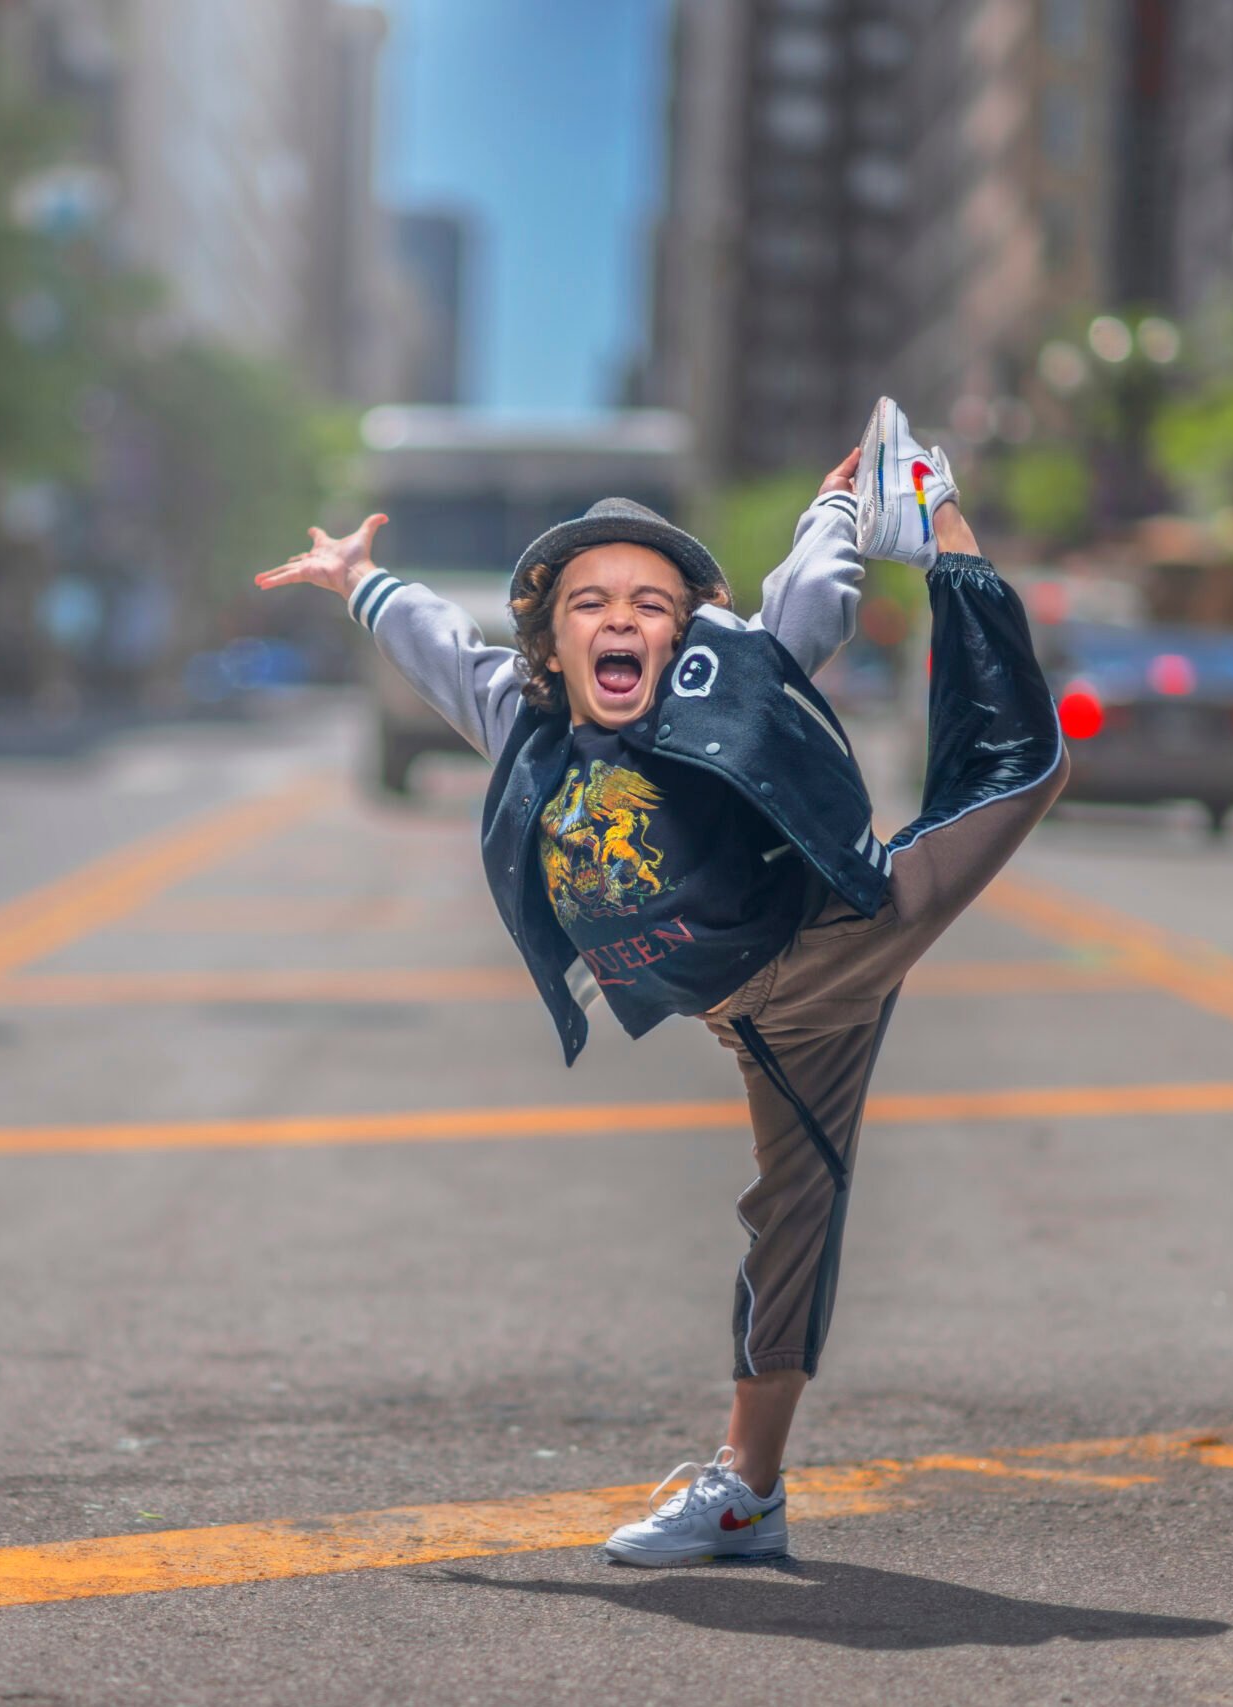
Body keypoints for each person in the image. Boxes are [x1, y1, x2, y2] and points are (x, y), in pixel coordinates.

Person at [254, 398, 1068, 1567]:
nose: (620, 618)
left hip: (843, 935)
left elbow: (811, 594)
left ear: (688, 624)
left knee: (1020, 766)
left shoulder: (730, 665)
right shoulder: (521, 719)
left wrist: (843, 506)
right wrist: (358, 582)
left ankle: (931, 506)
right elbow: (439, 648)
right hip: (757, 1019)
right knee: (790, 1222)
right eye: (589, 603)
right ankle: (750, 1493)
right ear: (551, 645)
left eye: (650, 600)